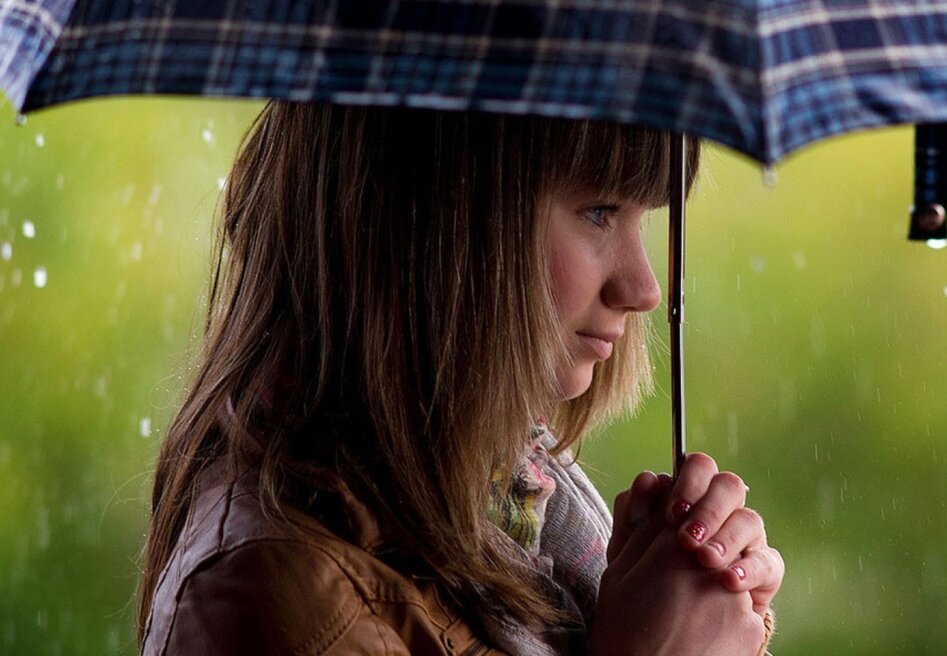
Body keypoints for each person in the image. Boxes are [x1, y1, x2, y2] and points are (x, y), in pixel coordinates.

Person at [138, 104, 784, 655]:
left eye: (641, 218)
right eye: (598, 211)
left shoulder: (514, 518)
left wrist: (705, 613)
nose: (643, 288)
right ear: (437, 221)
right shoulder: (284, 604)